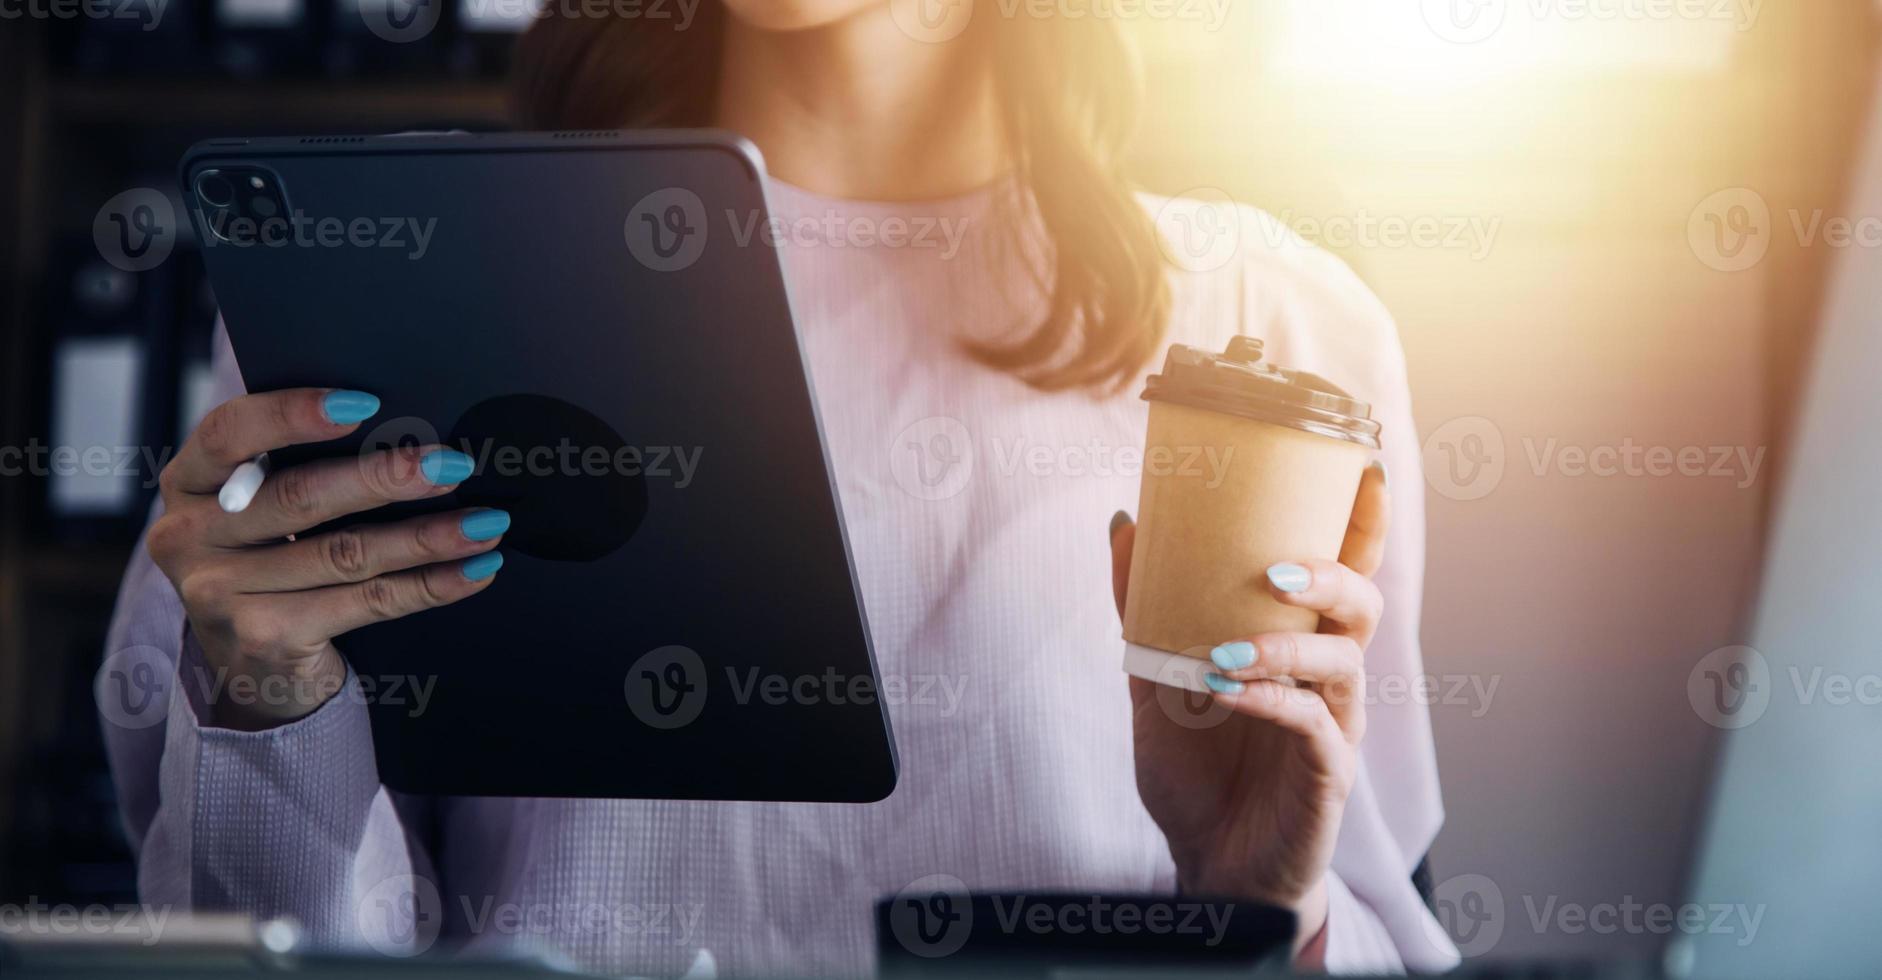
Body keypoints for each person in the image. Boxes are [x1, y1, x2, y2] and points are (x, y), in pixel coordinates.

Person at [102, 1, 1457, 973]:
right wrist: (268, 713)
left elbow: (1365, 904)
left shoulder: (1270, 333)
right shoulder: (399, 266)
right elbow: (264, 948)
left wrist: (1242, 920)